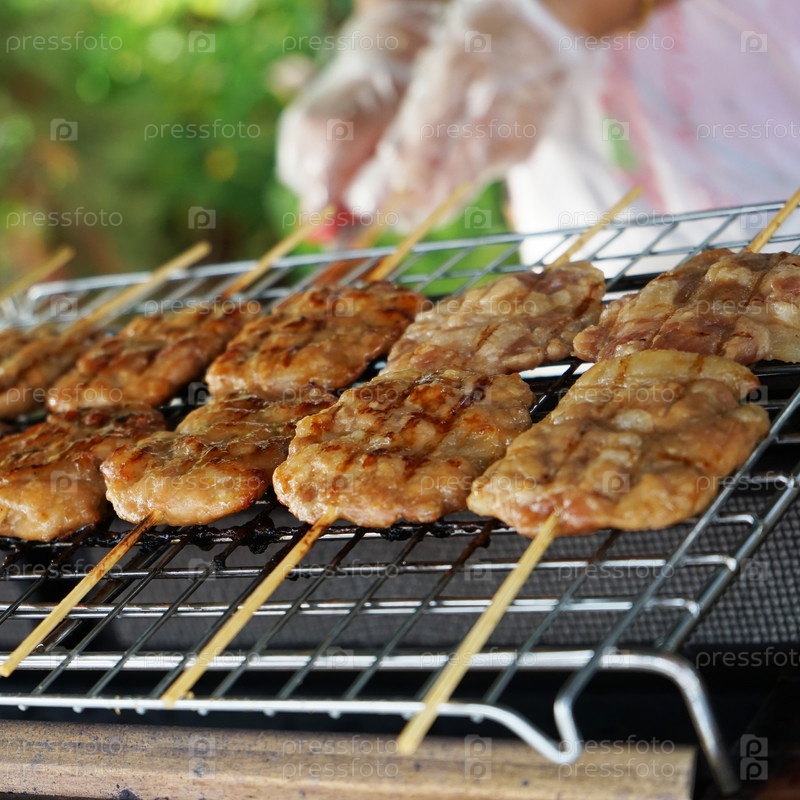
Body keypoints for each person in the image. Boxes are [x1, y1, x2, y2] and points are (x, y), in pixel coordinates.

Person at [277, 0, 800, 255]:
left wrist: (558, 14)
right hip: (580, 203)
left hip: (752, 82)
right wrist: (393, 35)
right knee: (595, 359)